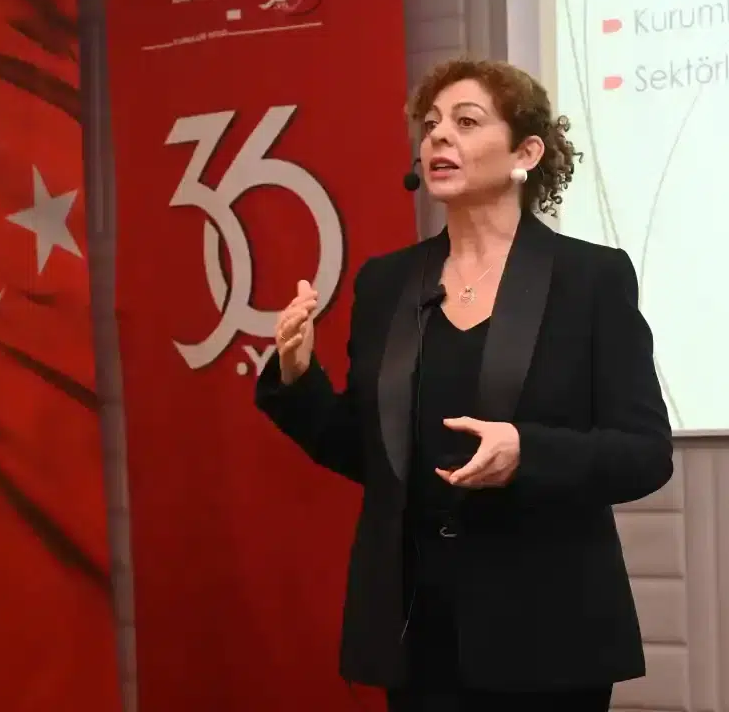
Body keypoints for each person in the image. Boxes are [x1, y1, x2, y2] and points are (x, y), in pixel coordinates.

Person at [255, 58, 674, 712]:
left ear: (525, 153)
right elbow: (369, 456)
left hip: (547, 632)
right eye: (430, 125)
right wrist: (297, 376)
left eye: (467, 121)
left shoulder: (589, 279)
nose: (438, 137)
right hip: (417, 631)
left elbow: (644, 453)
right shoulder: (387, 284)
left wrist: (526, 452)